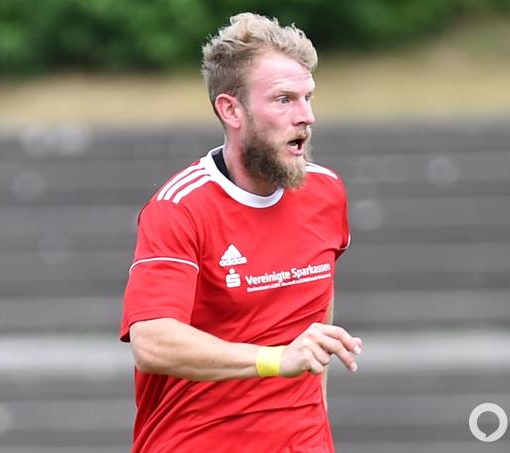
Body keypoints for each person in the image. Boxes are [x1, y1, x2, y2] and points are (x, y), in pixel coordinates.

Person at [119, 12, 362, 452]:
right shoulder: (179, 208)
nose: (306, 116)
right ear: (231, 109)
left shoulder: (325, 191)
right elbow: (152, 342)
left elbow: (316, 308)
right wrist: (275, 359)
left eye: (308, 97)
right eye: (284, 100)